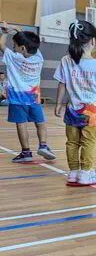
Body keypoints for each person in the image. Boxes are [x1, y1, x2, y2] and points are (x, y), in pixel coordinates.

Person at [54, 21, 96, 185]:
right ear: (93, 41)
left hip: (72, 108)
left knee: (72, 142)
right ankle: (86, 173)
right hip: (92, 110)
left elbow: (62, 84)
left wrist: (58, 104)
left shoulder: (66, 60)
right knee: (88, 142)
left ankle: (73, 172)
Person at [0, 23, 56, 162]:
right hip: (34, 98)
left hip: (18, 99)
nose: (13, 47)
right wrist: (15, 29)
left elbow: (1, 44)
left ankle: (26, 153)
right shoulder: (39, 57)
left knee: (21, 124)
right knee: (40, 122)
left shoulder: (13, 58)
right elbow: (24, 36)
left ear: (22, 48)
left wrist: (6, 32)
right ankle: (43, 145)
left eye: (14, 45)